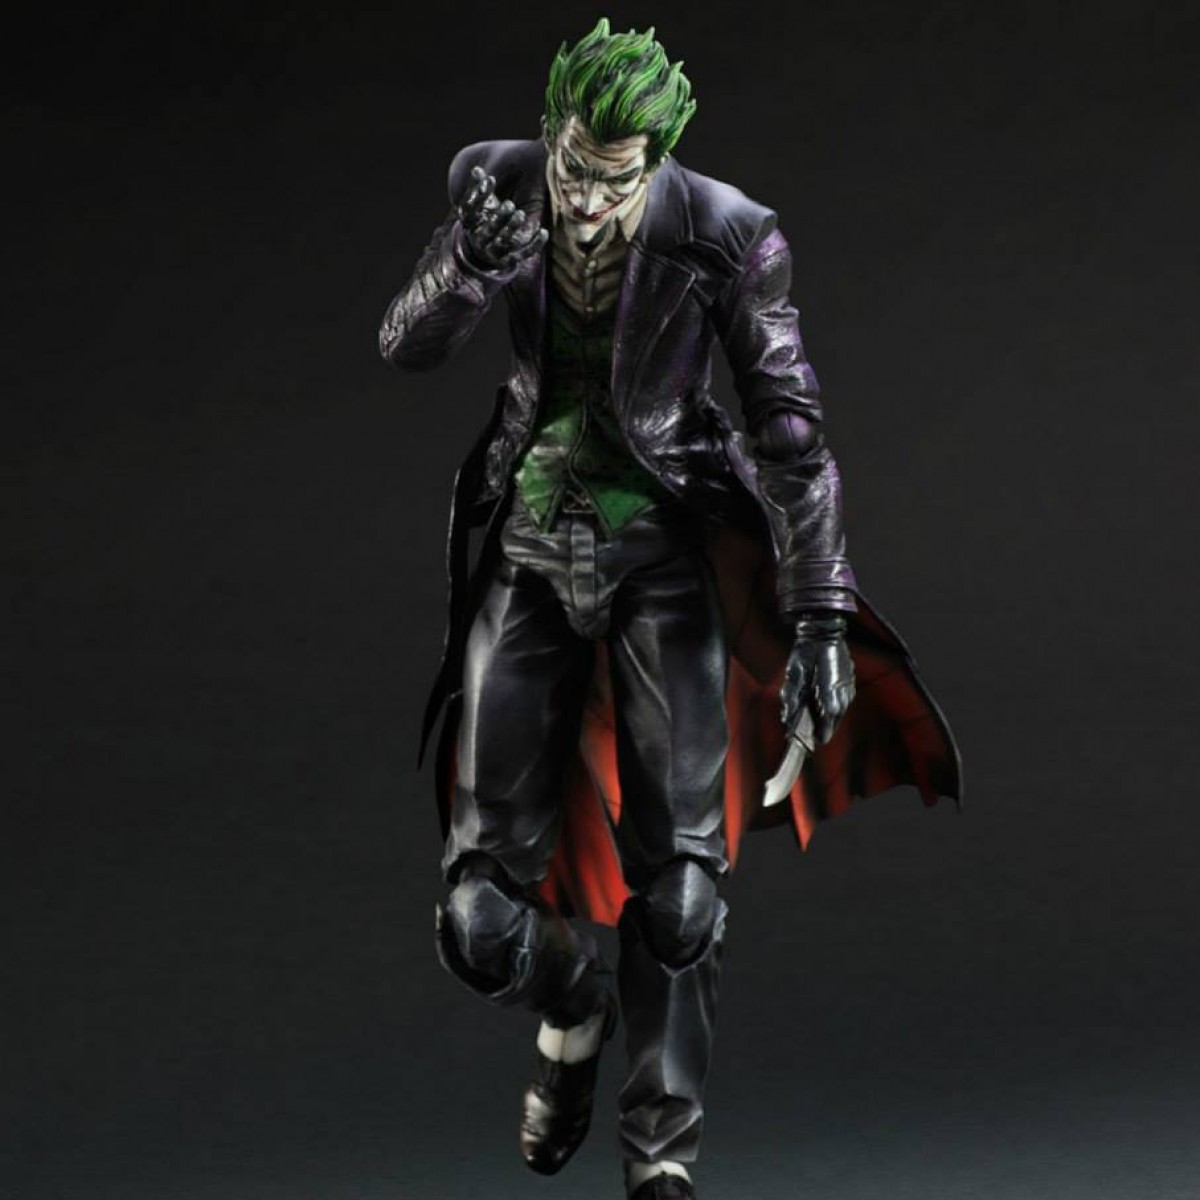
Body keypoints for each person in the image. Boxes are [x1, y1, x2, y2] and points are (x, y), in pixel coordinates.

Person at [379, 19, 960, 1200]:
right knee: (479, 921)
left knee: (684, 897)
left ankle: (661, 1160)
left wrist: (818, 613)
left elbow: (790, 432)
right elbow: (404, 344)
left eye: (617, 178)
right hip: (531, 544)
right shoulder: (497, 189)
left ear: (656, 161)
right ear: (550, 133)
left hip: (661, 554)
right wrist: (467, 266)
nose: (588, 204)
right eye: (573, 170)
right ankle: (574, 1004)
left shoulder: (727, 234)